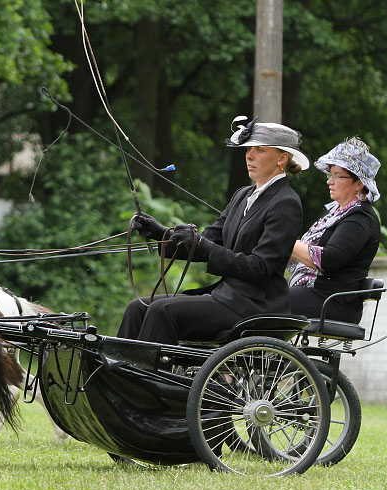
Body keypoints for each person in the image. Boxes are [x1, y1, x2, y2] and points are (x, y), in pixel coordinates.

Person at [117, 116, 307, 344]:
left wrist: (204, 246)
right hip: (227, 297)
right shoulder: (242, 196)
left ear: (282, 158)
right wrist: (162, 234)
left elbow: (261, 267)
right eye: (248, 149)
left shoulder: (286, 202)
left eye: (260, 150)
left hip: (254, 305)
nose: (249, 155)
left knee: (162, 311)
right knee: (137, 308)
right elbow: (207, 241)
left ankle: (144, 378)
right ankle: (114, 375)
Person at [288, 137, 381, 324]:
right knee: (255, 294)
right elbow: (299, 254)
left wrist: (285, 242)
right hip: (315, 294)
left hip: (333, 302)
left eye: (338, 176)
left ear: (359, 183)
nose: (330, 181)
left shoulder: (360, 218)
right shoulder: (335, 213)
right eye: (330, 175)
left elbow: (330, 259)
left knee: (263, 302)